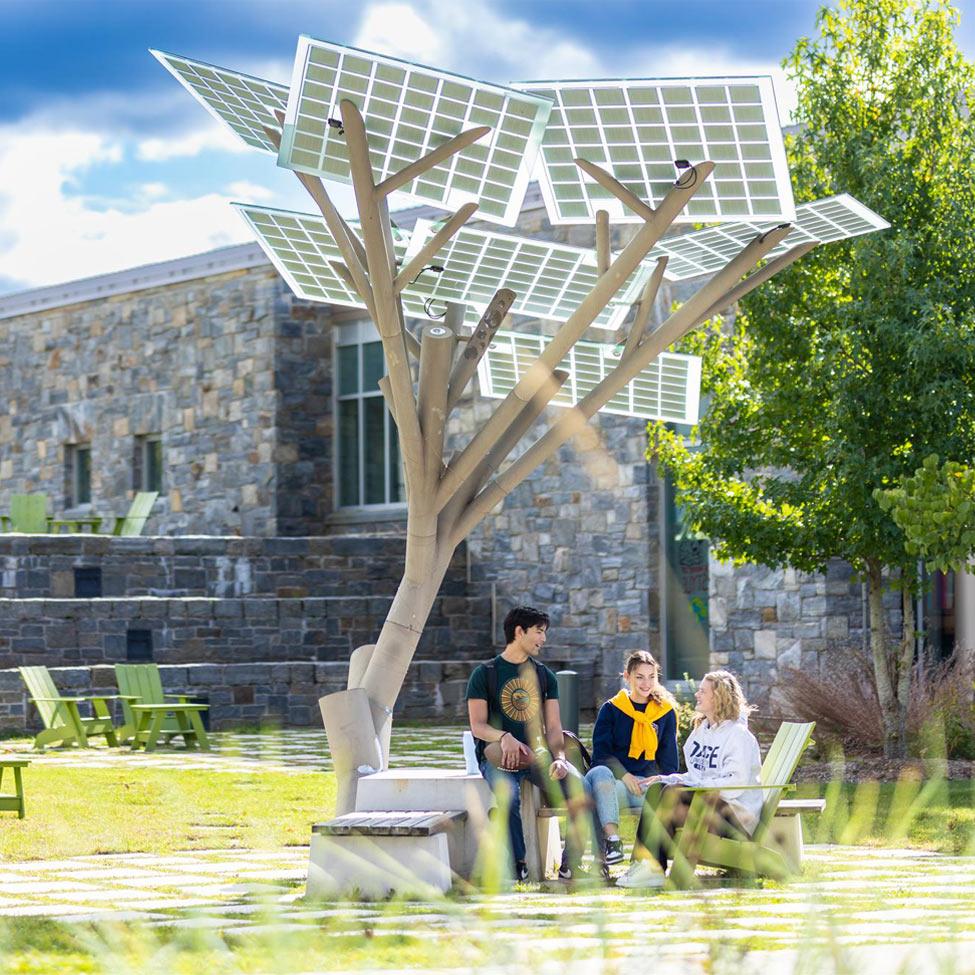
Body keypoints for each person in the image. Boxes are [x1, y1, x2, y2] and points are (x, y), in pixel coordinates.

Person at [466, 605, 590, 882]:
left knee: (579, 786)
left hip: (539, 757)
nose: (543, 639)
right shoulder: (485, 674)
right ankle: (517, 864)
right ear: (519, 632)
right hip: (497, 757)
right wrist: (504, 737)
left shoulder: (545, 675)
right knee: (507, 796)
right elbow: (477, 726)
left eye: (544, 632)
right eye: (539, 632)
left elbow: (555, 727)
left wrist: (559, 758)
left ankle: (571, 864)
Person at [616, 669, 762, 888]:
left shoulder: (738, 736)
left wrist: (689, 786)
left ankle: (654, 868)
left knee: (674, 793)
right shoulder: (702, 731)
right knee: (660, 788)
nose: (697, 694)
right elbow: (697, 776)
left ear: (718, 697)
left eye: (703, 691)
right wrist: (670, 778)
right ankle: (643, 863)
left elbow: (734, 787)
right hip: (707, 807)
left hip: (735, 819)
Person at [585, 650, 679, 868]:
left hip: (644, 788)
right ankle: (613, 842)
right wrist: (624, 775)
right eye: (639, 677)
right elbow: (601, 754)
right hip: (613, 785)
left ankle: (646, 863)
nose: (646, 683)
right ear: (627, 677)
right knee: (598, 776)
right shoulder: (611, 709)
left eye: (651, 677)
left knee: (663, 791)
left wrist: (656, 781)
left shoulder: (664, 712)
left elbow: (669, 761)